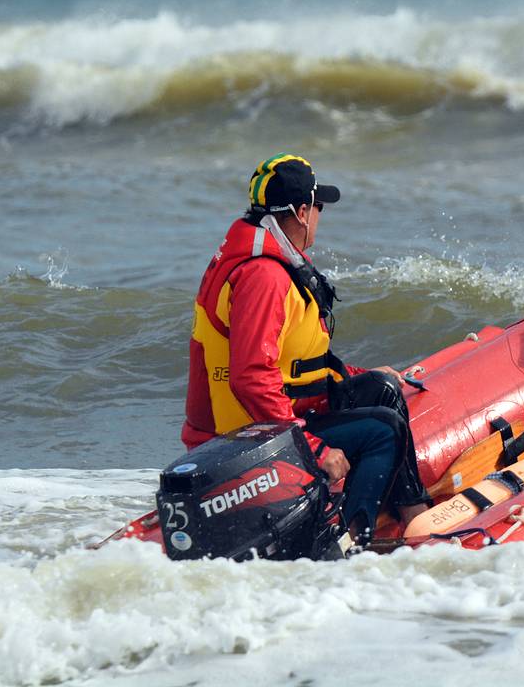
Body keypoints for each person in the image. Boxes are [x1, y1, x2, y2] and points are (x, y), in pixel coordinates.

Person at [183, 152, 430, 534]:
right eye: (318, 207)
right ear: (301, 212)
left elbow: (292, 359)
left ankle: (411, 511)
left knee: (382, 389)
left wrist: (355, 376)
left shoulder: (261, 256)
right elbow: (251, 378)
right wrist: (313, 447)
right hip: (242, 441)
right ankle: (350, 538)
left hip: (265, 420)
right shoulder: (264, 276)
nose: (319, 217)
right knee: (385, 430)